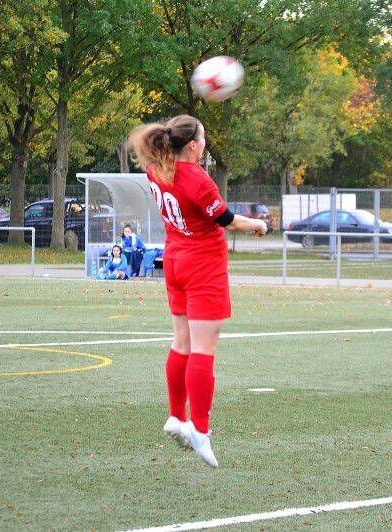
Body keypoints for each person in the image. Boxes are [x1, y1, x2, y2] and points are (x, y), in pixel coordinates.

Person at [128, 114, 267, 467]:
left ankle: (176, 415)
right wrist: (257, 225)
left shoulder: (158, 169)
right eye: (203, 138)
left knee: (181, 343)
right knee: (204, 350)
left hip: (175, 261)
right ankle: (200, 429)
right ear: (193, 145)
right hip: (202, 265)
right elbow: (226, 220)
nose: (205, 144)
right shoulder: (196, 178)